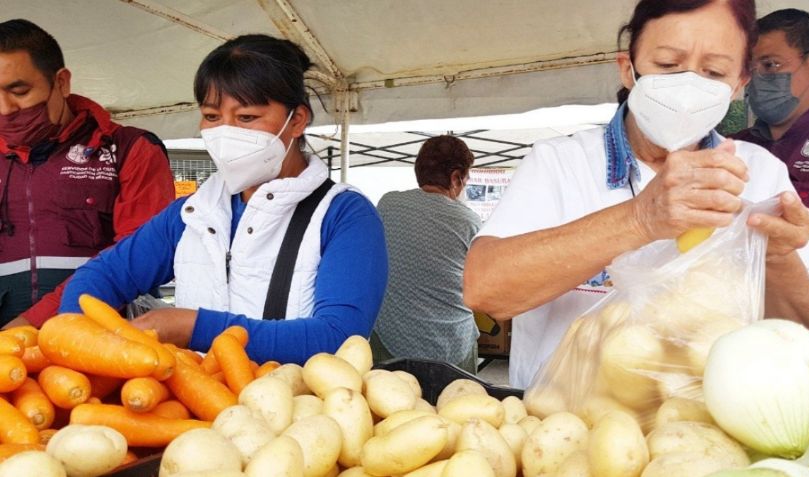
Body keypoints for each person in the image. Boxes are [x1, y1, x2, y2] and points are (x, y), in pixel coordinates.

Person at [463, 0, 809, 389]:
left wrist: (776, 259)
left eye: (713, 72)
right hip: (561, 432)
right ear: (628, 69)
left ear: (738, 86)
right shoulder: (562, 162)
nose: (690, 87)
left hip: (707, 434)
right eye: (667, 65)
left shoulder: (759, 173)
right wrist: (640, 218)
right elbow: (485, 289)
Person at [58, 34, 389, 364]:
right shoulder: (193, 212)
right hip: (192, 408)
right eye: (212, 117)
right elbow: (99, 277)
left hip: (291, 407)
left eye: (246, 117)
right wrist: (81, 337)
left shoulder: (343, 215)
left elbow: (339, 336)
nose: (226, 132)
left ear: (297, 120)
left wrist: (194, 327)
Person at [0, 19, 174, 329]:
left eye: (19, 91)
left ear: (62, 83)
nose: (5, 108)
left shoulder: (130, 148)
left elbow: (140, 259)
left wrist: (32, 324)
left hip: (100, 343)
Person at [732, 9, 809, 330]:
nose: (756, 79)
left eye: (770, 65)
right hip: (735, 320)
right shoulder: (732, 147)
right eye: (750, 69)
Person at [371, 135, 482, 374]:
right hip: (452, 344)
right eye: (466, 180)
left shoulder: (388, 204)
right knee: (456, 407)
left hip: (392, 341)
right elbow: (482, 287)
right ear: (455, 178)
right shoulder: (468, 221)